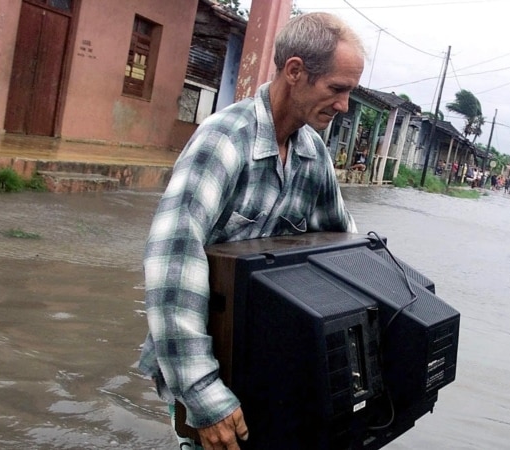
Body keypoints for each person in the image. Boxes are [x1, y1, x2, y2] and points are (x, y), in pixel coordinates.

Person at [137, 12, 364, 450]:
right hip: (204, 359)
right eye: (337, 89)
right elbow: (172, 268)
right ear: (295, 71)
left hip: (268, 358)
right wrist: (204, 395)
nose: (344, 106)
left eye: (349, 92)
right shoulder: (223, 142)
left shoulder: (313, 154)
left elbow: (347, 249)